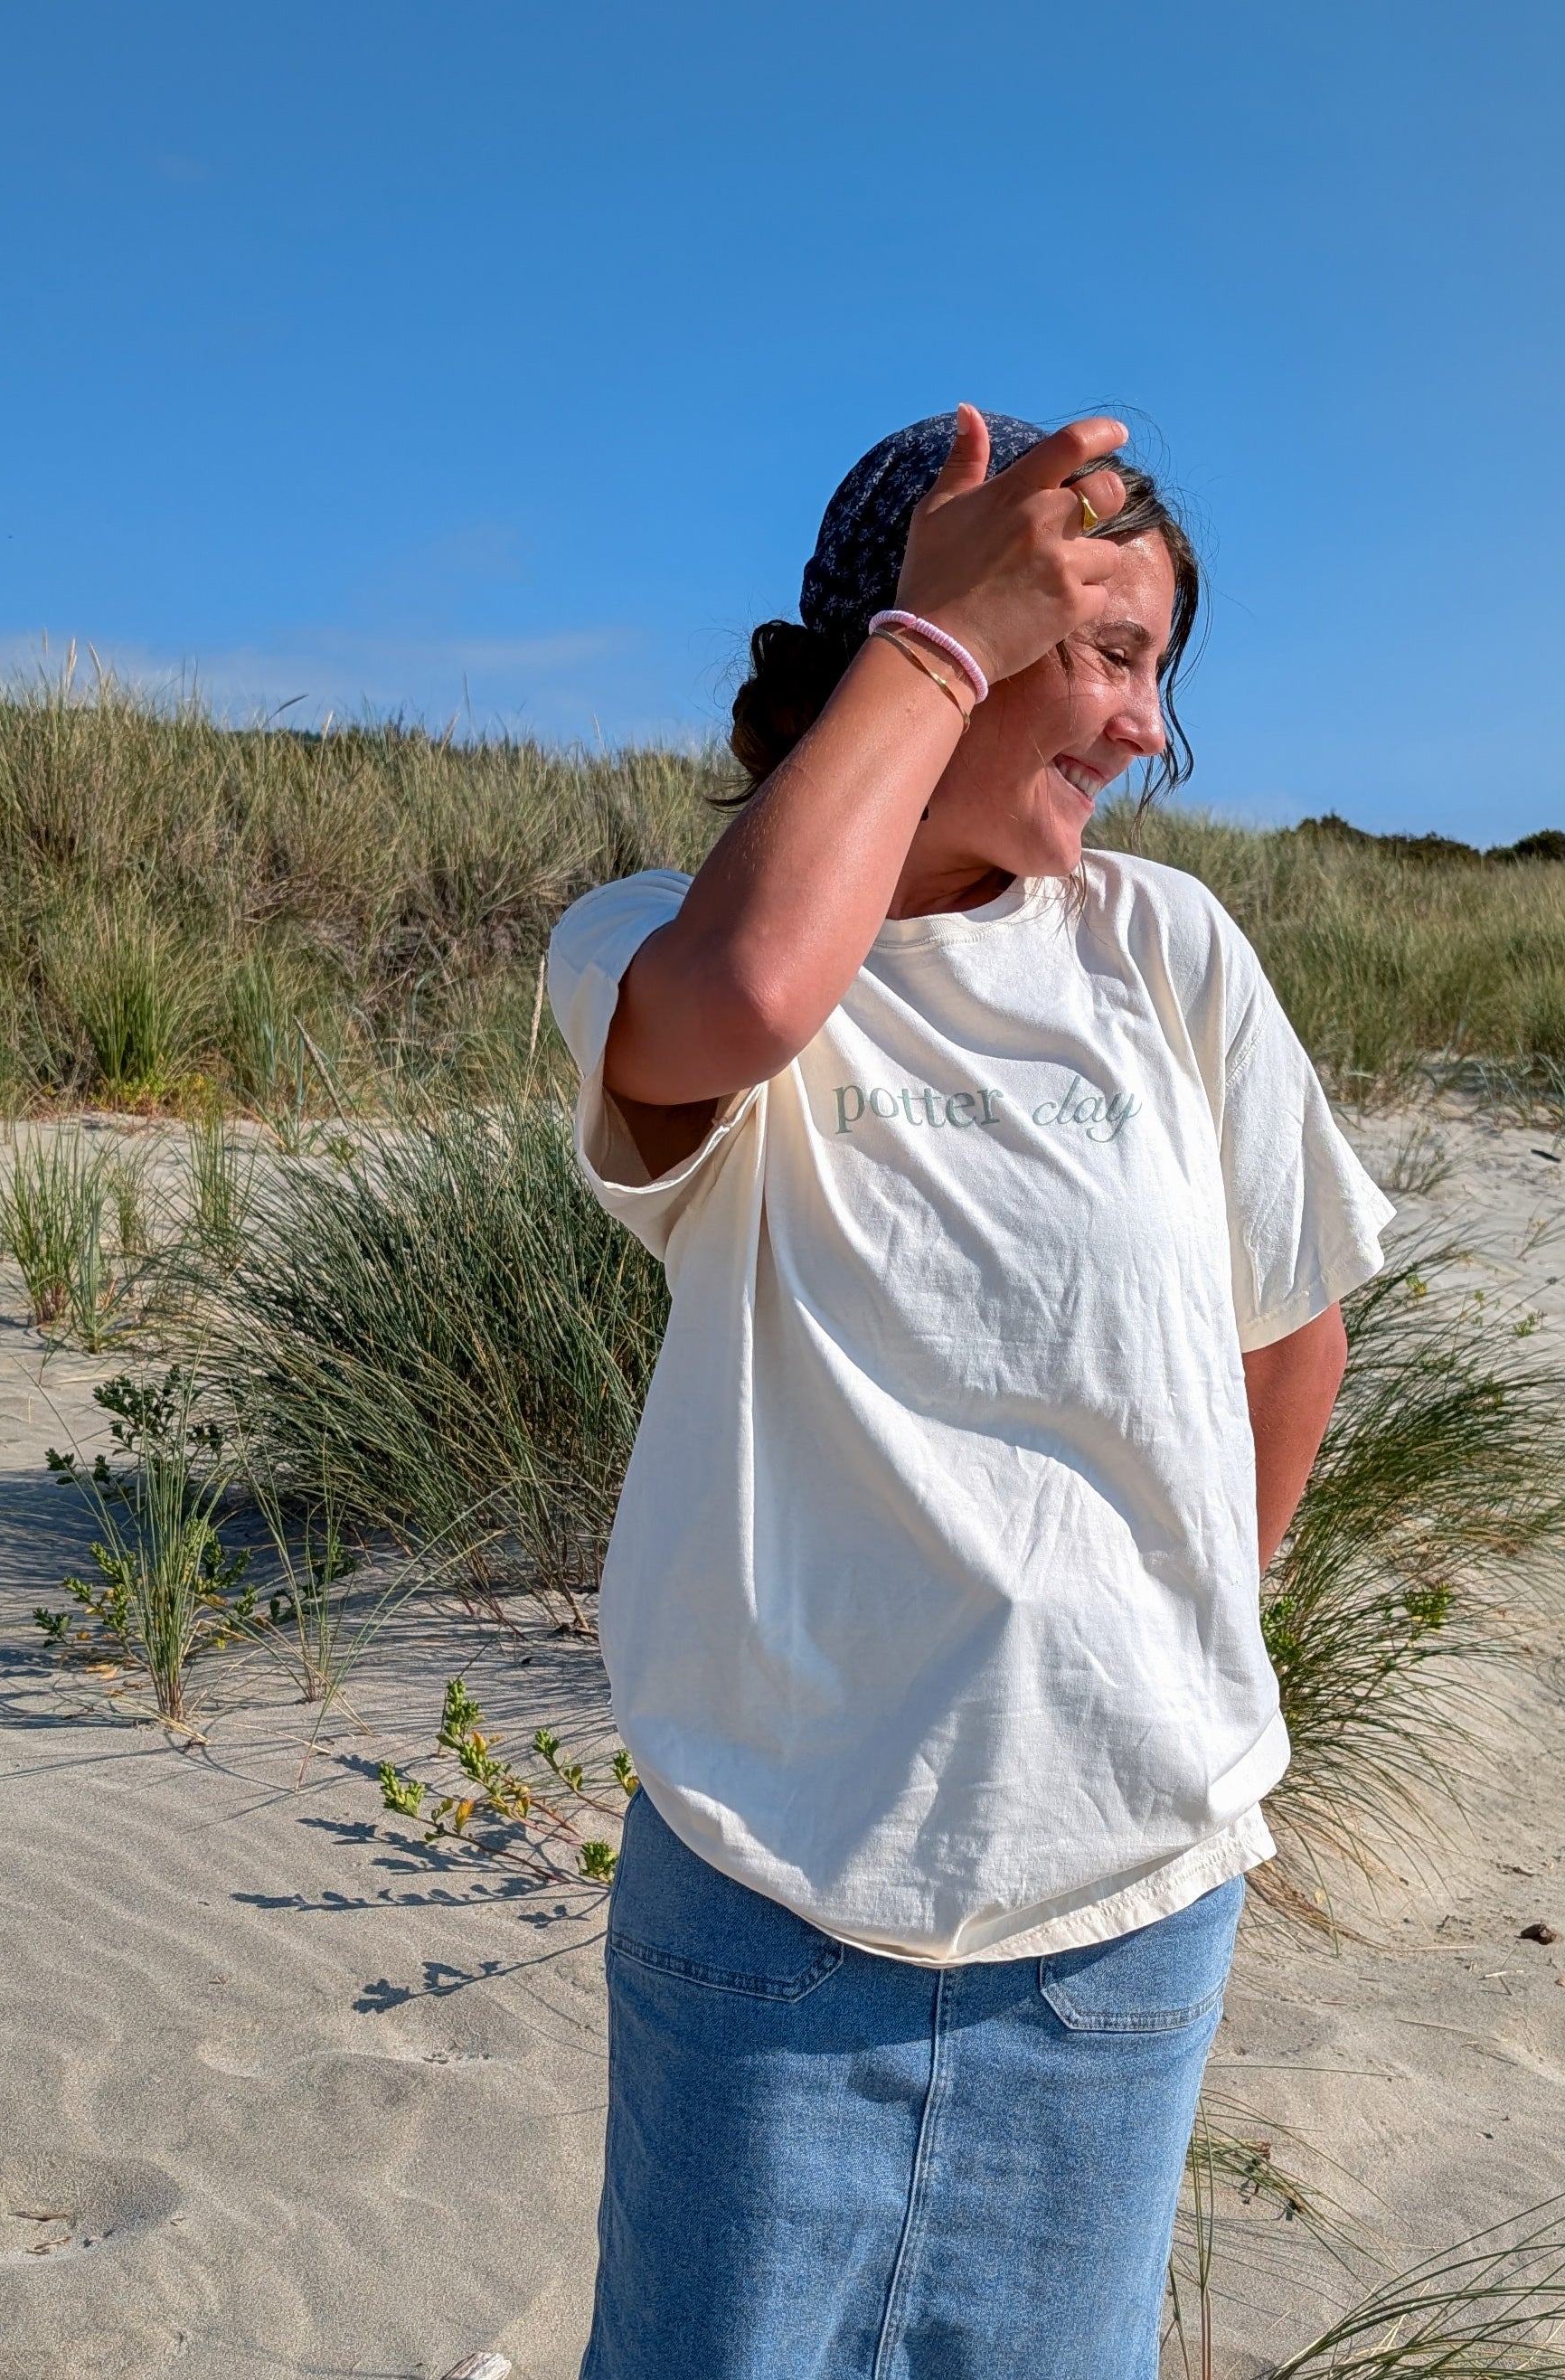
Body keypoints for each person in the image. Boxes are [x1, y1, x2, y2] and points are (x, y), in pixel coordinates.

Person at [548, 405, 1393, 2380]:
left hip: (1120, 1904)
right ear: (924, 627)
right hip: (768, 1899)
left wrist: (1177, 1647)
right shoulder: (645, 942)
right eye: (1097, 649)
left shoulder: (1160, 948)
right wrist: (938, 644)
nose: (1141, 731)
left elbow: (1291, 1334)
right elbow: (745, 1000)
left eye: (1157, 666)